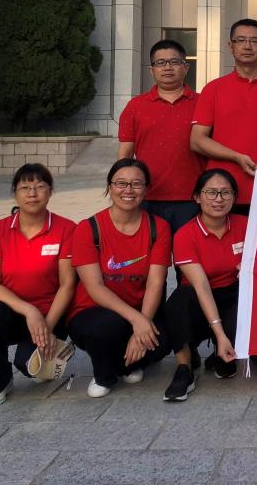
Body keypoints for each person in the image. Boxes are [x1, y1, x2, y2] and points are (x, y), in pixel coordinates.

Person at [0, 164, 76, 407]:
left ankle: (48, 352)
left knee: (31, 368)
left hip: (52, 314)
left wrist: (46, 326)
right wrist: (29, 311)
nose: (32, 194)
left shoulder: (67, 228)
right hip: (13, 312)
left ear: (50, 191)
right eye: (25, 188)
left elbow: (68, 284)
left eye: (40, 187)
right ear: (15, 193)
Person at [67, 159, 172, 398]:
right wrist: (138, 322)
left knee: (165, 338)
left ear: (146, 189)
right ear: (109, 187)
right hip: (93, 312)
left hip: (137, 310)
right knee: (108, 327)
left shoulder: (158, 227)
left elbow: (156, 282)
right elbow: (95, 287)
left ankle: (127, 364)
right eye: (121, 183)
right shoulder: (88, 228)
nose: (128, 190)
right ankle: (105, 375)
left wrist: (142, 323)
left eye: (136, 184)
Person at [191, 18, 257, 217]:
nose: (247, 46)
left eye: (254, 41)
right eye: (241, 40)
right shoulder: (214, 89)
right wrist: (236, 157)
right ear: (231, 46)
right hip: (220, 192)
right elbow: (197, 140)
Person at [163, 169, 247, 401]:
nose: (218, 199)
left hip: (232, 293)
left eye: (225, 193)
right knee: (178, 301)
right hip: (199, 298)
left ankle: (223, 356)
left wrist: (251, 266)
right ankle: (184, 367)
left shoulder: (246, 225)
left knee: (249, 302)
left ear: (234, 197)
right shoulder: (185, 234)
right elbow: (201, 287)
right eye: (211, 192)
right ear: (197, 197)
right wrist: (220, 334)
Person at [118, 39, 205, 232]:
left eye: (174, 62)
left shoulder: (203, 103)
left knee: (189, 251)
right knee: (151, 251)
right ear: (152, 70)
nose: (167, 67)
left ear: (186, 67)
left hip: (194, 198)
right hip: (147, 197)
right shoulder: (135, 106)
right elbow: (125, 153)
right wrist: (123, 189)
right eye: (160, 63)